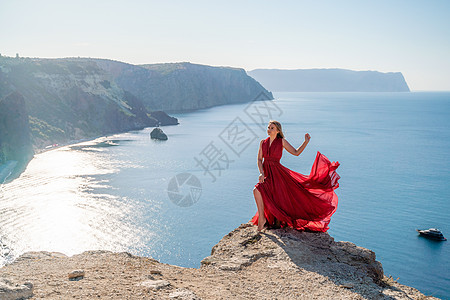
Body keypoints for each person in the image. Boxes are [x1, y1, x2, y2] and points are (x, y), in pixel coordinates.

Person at [252, 120, 340, 232]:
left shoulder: (281, 142)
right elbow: (259, 159)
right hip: (267, 174)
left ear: (278, 130)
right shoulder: (263, 142)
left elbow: (296, 152)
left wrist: (305, 142)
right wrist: (261, 172)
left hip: (278, 174)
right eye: (268, 127)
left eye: (272, 128)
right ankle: (262, 218)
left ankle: (270, 220)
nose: (269, 130)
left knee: (275, 195)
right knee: (257, 190)